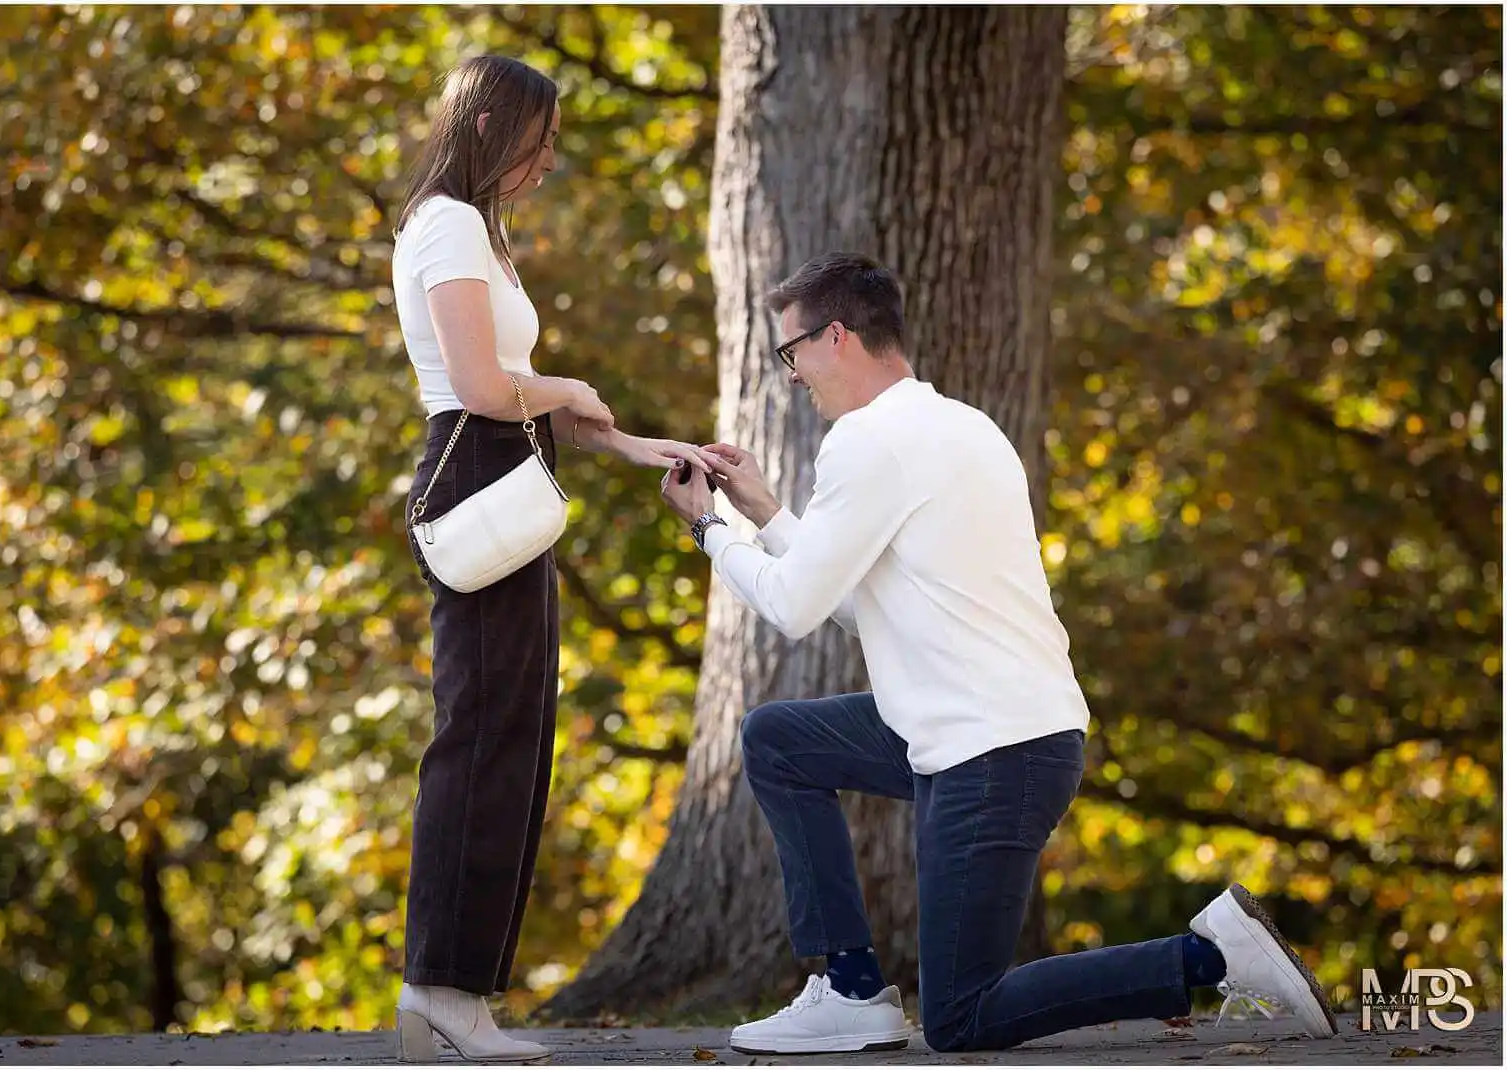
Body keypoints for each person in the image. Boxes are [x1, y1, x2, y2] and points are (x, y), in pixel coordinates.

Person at [660, 251, 1340, 1054]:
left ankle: (1212, 954)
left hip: (994, 753)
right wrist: (768, 511)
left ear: (835, 336)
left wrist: (708, 530)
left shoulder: (867, 443)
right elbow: (849, 606)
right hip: (972, 729)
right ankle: (849, 988)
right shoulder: (958, 425)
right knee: (781, 740)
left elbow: (791, 608)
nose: (793, 374)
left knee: (963, 1017)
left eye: (792, 353)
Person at [390, 55, 709, 1064]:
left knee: (514, 733)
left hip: (510, 473)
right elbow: (486, 386)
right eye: (539, 139)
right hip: (478, 472)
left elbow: (518, 391)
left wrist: (629, 444)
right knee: (482, 734)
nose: (547, 161)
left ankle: (455, 989)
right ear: (488, 126)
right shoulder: (443, 225)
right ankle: (444, 988)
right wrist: (567, 383)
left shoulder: (478, 233)